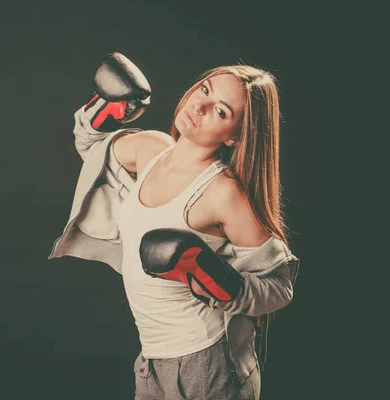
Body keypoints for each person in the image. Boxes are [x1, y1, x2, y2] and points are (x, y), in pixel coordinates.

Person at [48, 53, 300, 400]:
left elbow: (279, 286)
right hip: (151, 359)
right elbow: (93, 148)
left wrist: (216, 280)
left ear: (235, 138)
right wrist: (106, 107)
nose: (200, 105)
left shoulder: (222, 193)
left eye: (221, 111)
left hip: (208, 362)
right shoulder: (150, 149)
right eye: (205, 90)